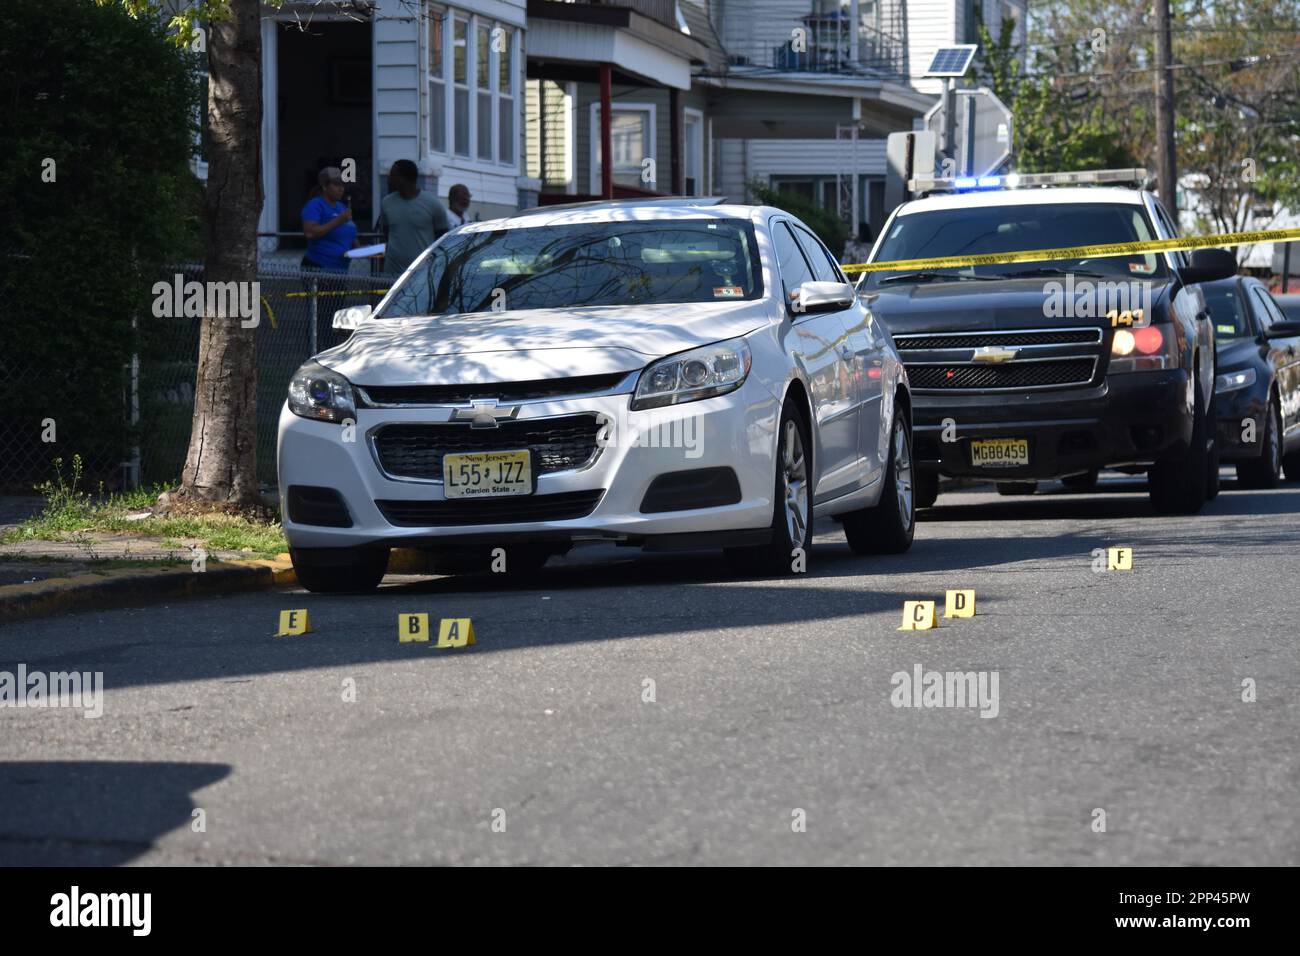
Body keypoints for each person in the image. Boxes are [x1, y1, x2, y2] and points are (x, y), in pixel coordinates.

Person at [377, 160, 450, 277]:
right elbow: (386, 234)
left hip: (422, 274)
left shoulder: (432, 204)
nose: (389, 178)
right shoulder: (387, 203)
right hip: (392, 274)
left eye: (392, 175)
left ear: (403, 178)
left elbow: (443, 238)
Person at [301, 166, 358, 273]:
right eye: (336, 185)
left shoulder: (342, 207)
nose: (341, 189)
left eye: (343, 185)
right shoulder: (315, 205)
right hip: (319, 268)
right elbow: (310, 232)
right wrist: (338, 220)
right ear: (324, 186)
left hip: (341, 270)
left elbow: (351, 235)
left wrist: (367, 250)